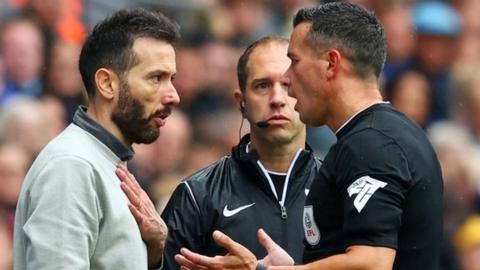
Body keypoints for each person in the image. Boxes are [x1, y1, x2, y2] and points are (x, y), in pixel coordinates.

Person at [174, 2, 443, 270]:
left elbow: (371, 264)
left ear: (331, 63)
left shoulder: (371, 143)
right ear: (241, 101)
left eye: (294, 61)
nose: (288, 80)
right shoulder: (390, 133)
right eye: (263, 85)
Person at [116, 36, 321, 269]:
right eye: (262, 86)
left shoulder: (339, 188)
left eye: (288, 85)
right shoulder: (198, 195)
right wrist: (155, 253)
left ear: (310, 93)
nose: (277, 99)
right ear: (241, 102)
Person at [13, 8, 180, 269]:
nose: (173, 95)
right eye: (156, 78)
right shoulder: (71, 166)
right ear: (107, 84)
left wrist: (154, 254)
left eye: (171, 79)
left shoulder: (103, 160)